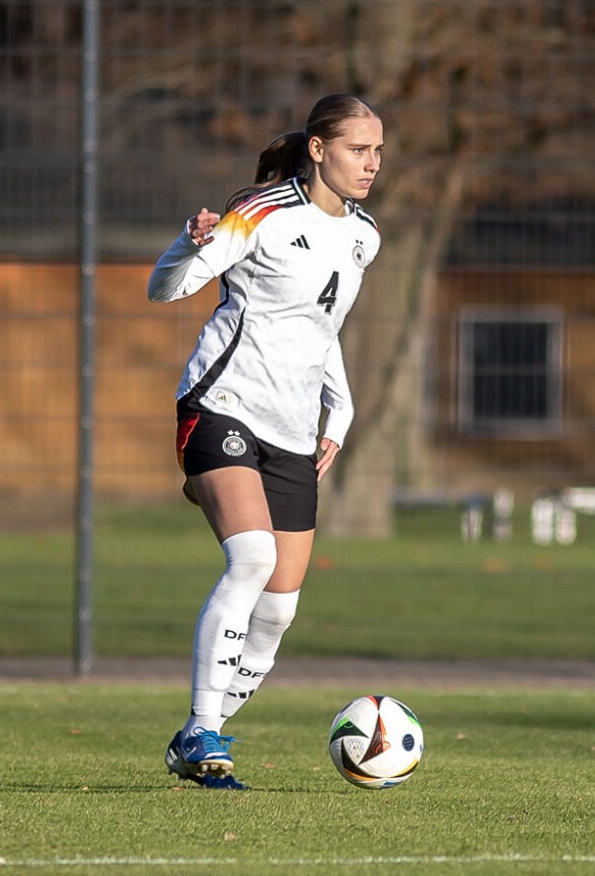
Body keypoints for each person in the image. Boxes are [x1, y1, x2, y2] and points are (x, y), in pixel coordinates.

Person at [146, 94, 383, 790]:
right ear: (318, 150)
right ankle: (201, 734)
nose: (371, 164)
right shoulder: (261, 214)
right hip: (220, 406)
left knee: (279, 609)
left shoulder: (366, 236)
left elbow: (319, 331)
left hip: (291, 431)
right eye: (357, 149)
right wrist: (186, 244)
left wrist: (338, 416)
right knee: (250, 559)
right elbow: (168, 289)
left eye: (377, 151)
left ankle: (204, 726)